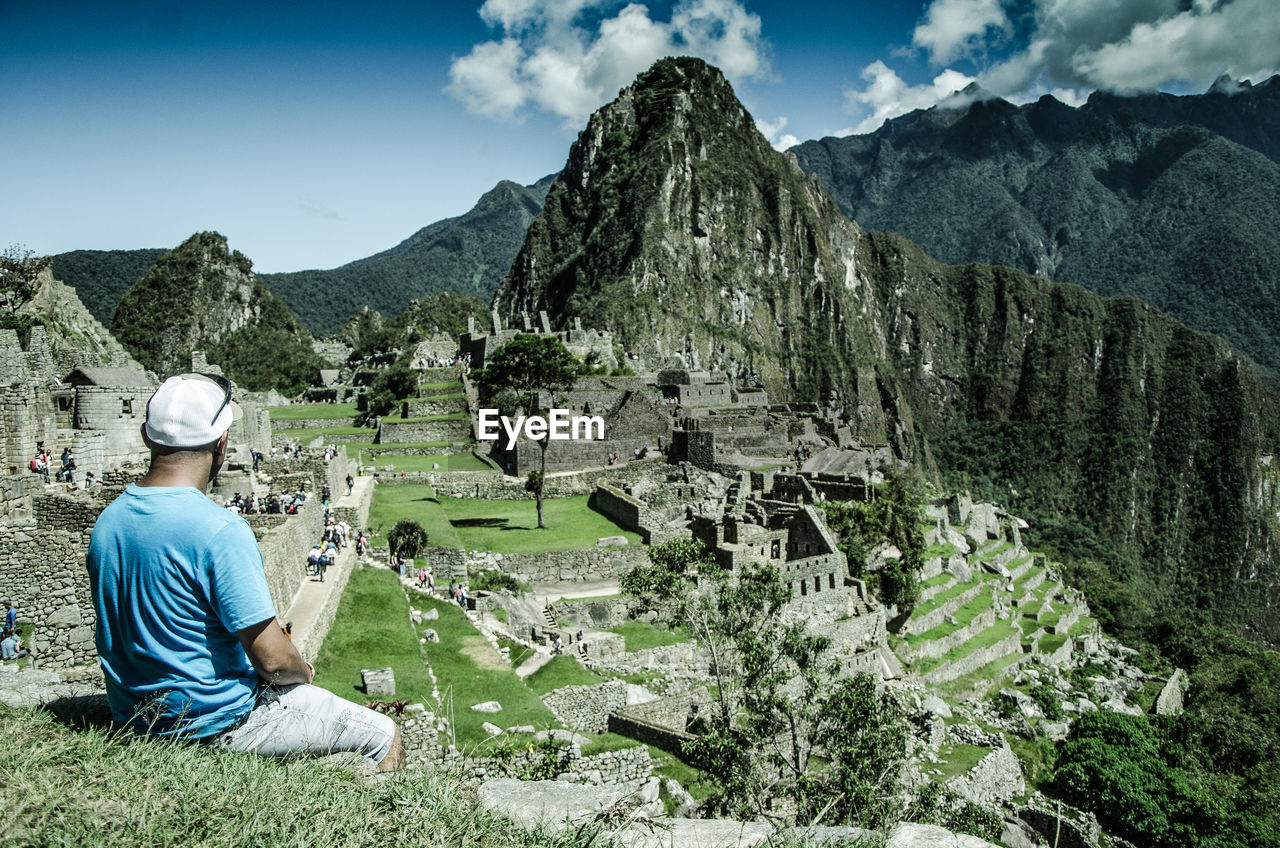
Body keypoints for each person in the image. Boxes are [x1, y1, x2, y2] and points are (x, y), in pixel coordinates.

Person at [85, 373, 402, 770]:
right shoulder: (220, 530)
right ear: (221, 444)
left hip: (135, 719)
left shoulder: (108, 523)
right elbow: (271, 661)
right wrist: (302, 670)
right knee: (384, 734)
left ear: (148, 438)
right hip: (214, 724)